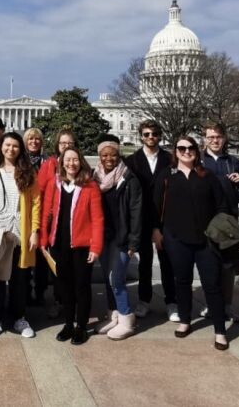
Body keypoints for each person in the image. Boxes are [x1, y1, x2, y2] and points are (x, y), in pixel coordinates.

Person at [153, 136, 229, 351]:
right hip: (177, 238)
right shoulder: (166, 176)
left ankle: (220, 330)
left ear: (197, 151)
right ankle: (185, 320)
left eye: (191, 148)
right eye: (182, 148)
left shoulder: (208, 176)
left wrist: (218, 230)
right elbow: (155, 207)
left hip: (206, 240)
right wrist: (157, 231)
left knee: (212, 285)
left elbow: (221, 205)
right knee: (182, 282)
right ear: (175, 152)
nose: (186, 152)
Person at [0, 132, 40, 339]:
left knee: (19, 278)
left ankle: (19, 317)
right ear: (1, 147)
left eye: (15, 146)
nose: (10, 149)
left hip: (20, 231)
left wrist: (34, 231)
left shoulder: (27, 171)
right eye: (7, 145)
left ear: (20, 149)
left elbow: (35, 204)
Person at [40, 147, 104, 345]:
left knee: (82, 287)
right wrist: (44, 239)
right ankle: (68, 323)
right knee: (64, 287)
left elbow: (97, 219)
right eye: (67, 160)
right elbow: (46, 213)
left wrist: (96, 247)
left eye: (75, 159)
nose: (71, 164)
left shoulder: (89, 186)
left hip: (82, 246)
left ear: (81, 162)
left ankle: (82, 327)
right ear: (62, 162)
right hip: (59, 245)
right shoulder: (55, 183)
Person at [124, 120, 176, 321]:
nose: (150, 137)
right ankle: (144, 300)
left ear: (160, 135)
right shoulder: (132, 160)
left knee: (167, 262)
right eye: (146, 134)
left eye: (154, 133)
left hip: (166, 217)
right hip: (142, 218)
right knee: (144, 263)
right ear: (141, 136)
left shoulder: (170, 159)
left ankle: (171, 301)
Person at [92, 136, 141, 340]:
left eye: (113, 154)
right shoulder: (95, 178)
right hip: (103, 236)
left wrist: (133, 241)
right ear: (99, 157)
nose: (109, 158)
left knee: (116, 279)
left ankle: (126, 318)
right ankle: (114, 315)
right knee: (108, 278)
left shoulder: (129, 179)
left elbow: (136, 211)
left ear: (118, 155)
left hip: (122, 237)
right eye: (104, 155)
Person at [200, 122, 239, 322]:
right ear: (204, 139)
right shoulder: (198, 161)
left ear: (224, 138)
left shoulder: (233, 162)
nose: (215, 140)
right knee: (209, 265)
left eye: (218, 136)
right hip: (206, 219)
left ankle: (227, 305)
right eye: (210, 137)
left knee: (228, 266)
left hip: (228, 220)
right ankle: (212, 305)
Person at [36, 128, 76, 318]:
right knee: (58, 266)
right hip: (54, 223)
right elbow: (39, 193)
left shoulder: (78, 165)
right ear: (57, 145)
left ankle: (72, 301)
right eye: (63, 143)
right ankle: (59, 301)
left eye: (69, 143)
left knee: (73, 266)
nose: (66, 146)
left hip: (74, 224)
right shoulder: (49, 165)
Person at [24, 127, 49, 306]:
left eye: (37, 139)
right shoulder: (21, 161)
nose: (34, 142)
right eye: (30, 139)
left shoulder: (48, 161)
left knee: (41, 257)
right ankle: (24, 290)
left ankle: (39, 291)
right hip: (26, 211)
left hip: (44, 211)